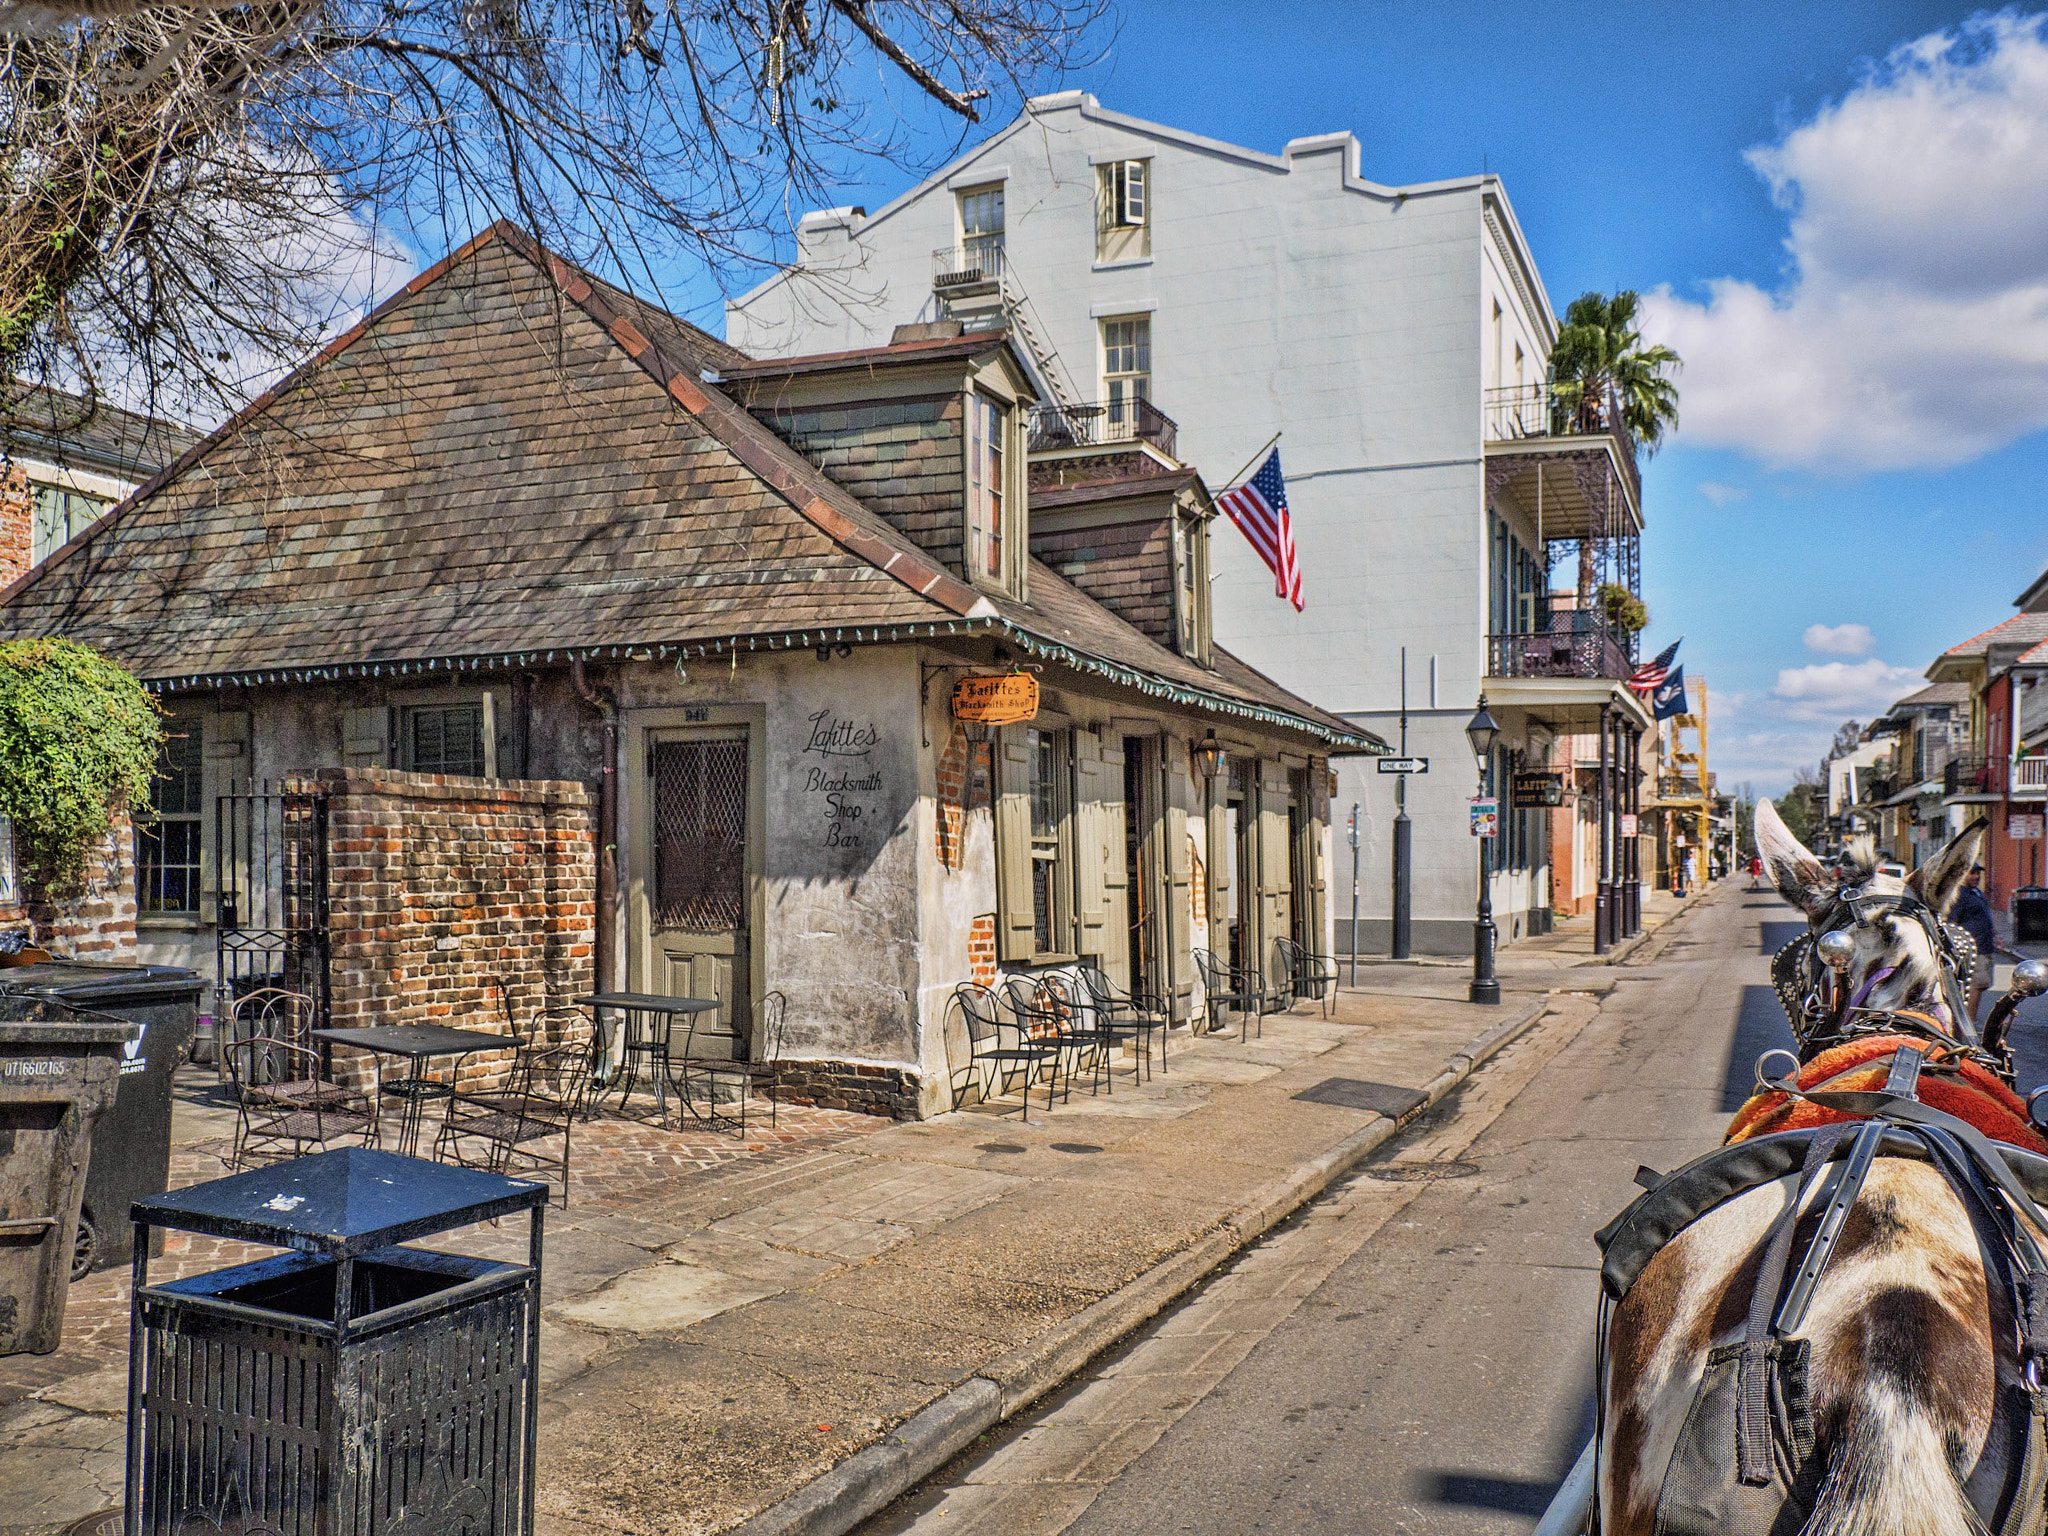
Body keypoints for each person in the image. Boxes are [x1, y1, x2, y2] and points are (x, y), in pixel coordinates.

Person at [1954, 863, 1999, 1022]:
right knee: (1975, 986)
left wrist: (1994, 936)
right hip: (1973, 948)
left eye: (1978, 873)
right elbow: (1953, 923)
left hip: (1984, 945)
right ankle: (1969, 1023)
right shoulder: (1959, 895)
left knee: (1981, 985)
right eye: (1971, 873)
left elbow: (1984, 916)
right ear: (1962, 875)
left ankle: (1968, 1020)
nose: (1976, 876)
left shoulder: (1976, 893)